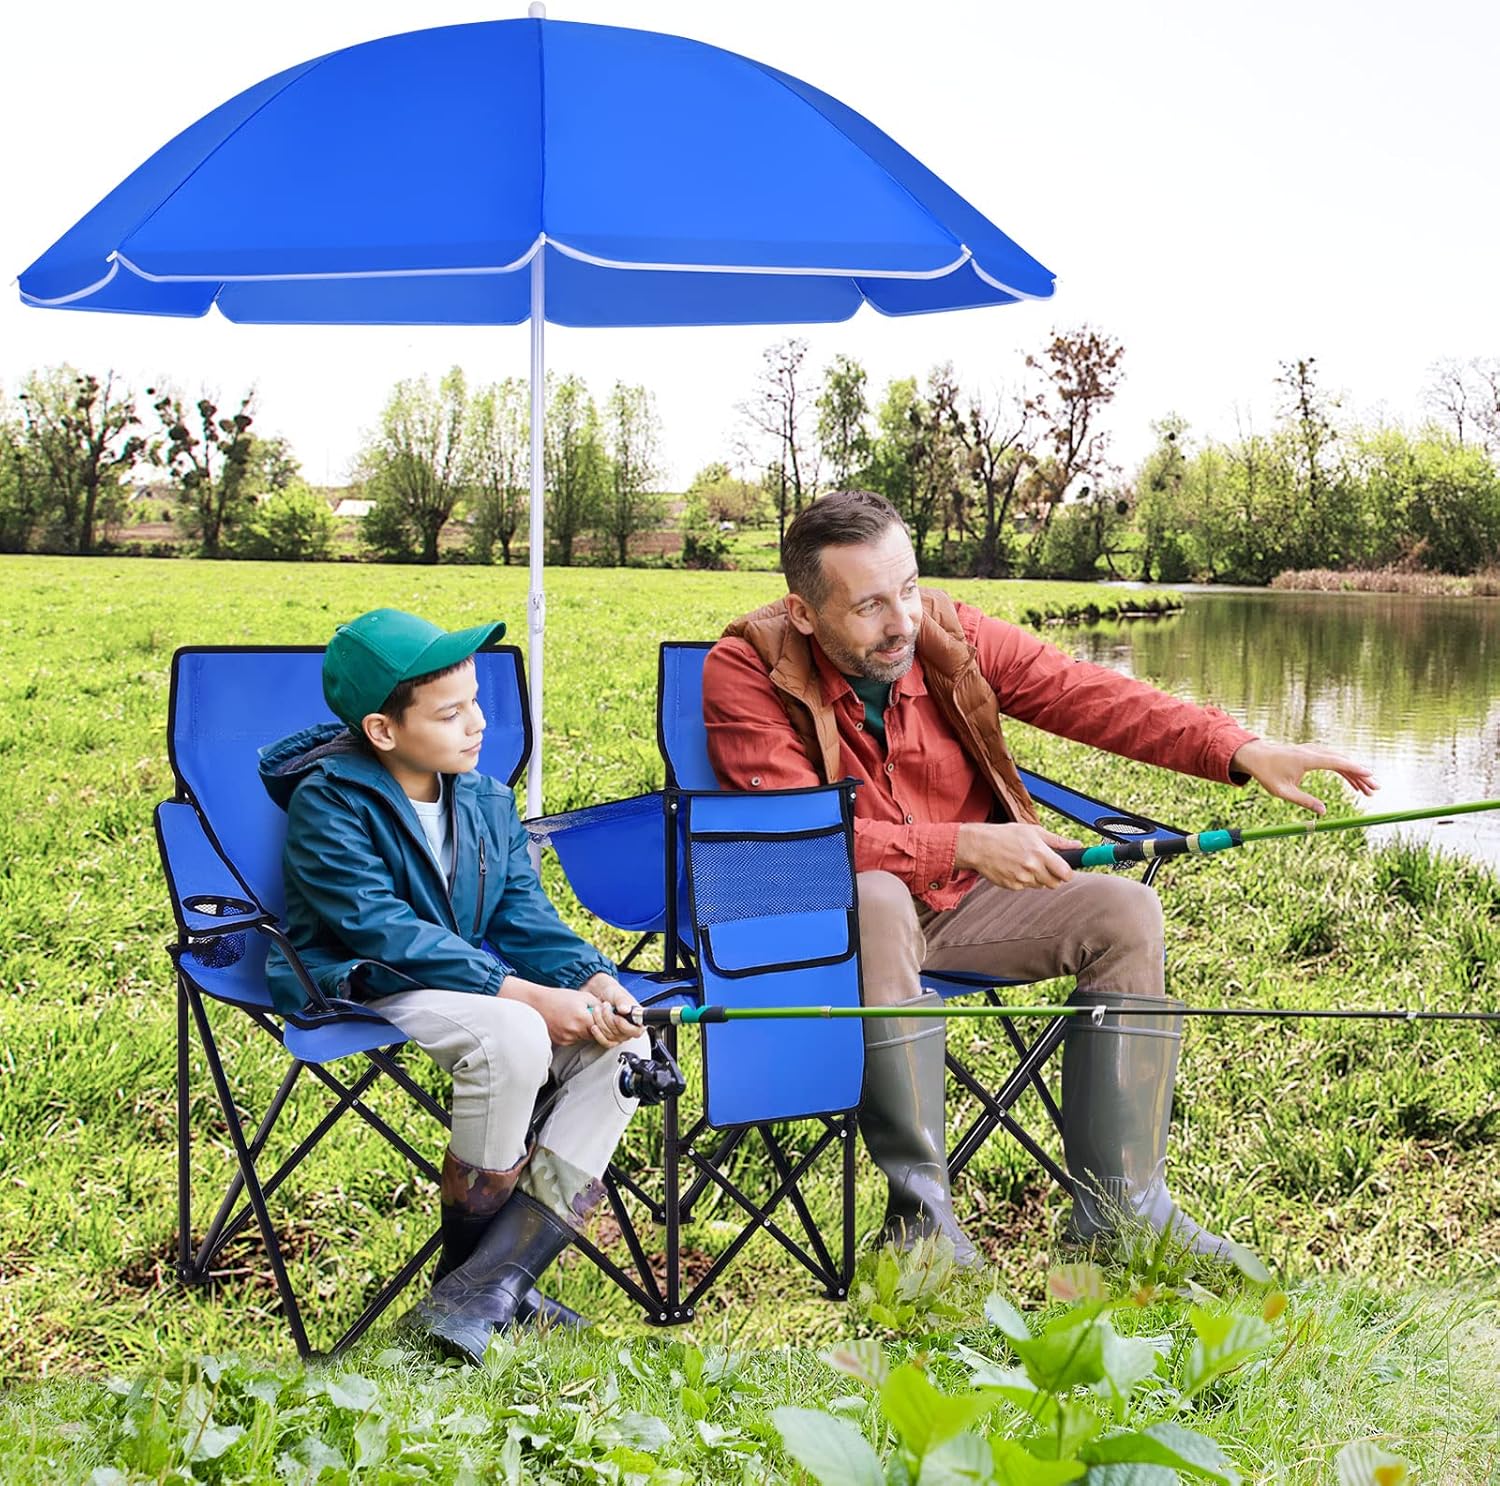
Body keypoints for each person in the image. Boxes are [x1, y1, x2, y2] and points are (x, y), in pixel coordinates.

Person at [702, 490, 1376, 1263]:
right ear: (804, 612)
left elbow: (1082, 692)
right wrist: (964, 844)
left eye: (911, 589)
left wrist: (1239, 749)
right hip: (828, 918)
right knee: (880, 894)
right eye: (871, 606)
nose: (903, 623)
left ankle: (1121, 1215)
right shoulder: (745, 669)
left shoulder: (946, 634)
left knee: (1125, 913)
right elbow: (802, 840)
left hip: (955, 908)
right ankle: (921, 1227)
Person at [259, 608, 648, 1362]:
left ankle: (483, 1290)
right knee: (513, 1033)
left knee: (625, 1056)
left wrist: (596, 982)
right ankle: (488, 1291)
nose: (477, 724)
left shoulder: (482, 799)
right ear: (382, 730)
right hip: (363, 978)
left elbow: (524, 916)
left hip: (468, 979)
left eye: (476, 702)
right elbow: (379, 928)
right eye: (450, 713)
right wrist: (528, 996)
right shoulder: (330, 800)